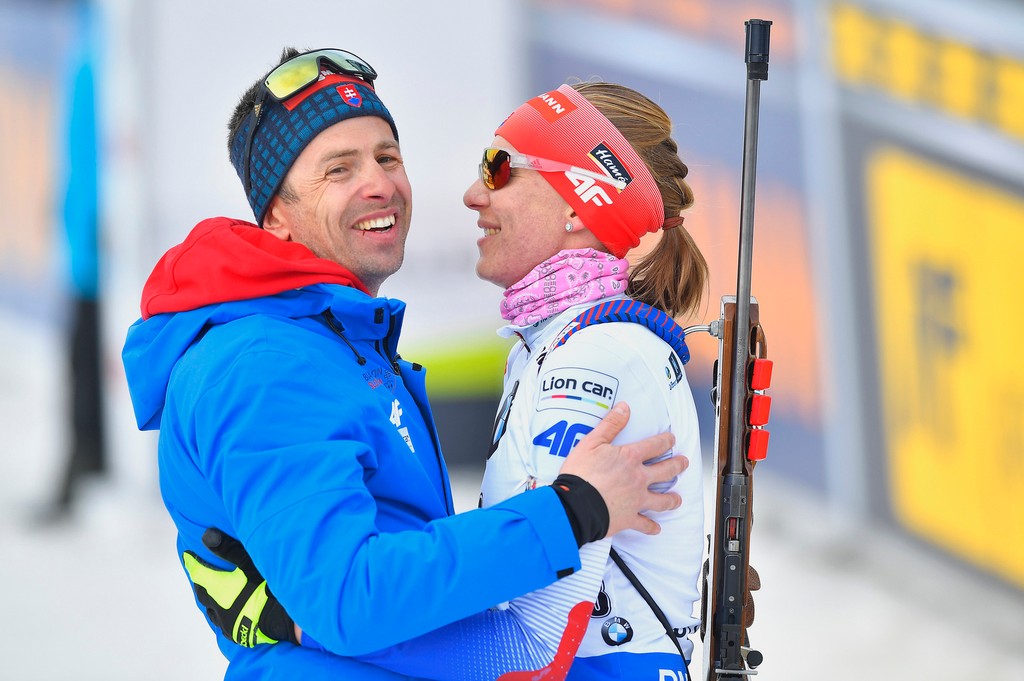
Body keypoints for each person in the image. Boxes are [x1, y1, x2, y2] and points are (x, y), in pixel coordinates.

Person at [120, 47, 685, 680]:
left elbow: (371, 594)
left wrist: (660, 597)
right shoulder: (264, 365)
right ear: (277, 214)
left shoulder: (339, 344)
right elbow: (351, 599)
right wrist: (571, 513)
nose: (379, 183)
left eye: (387, 158)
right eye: (339, 169)